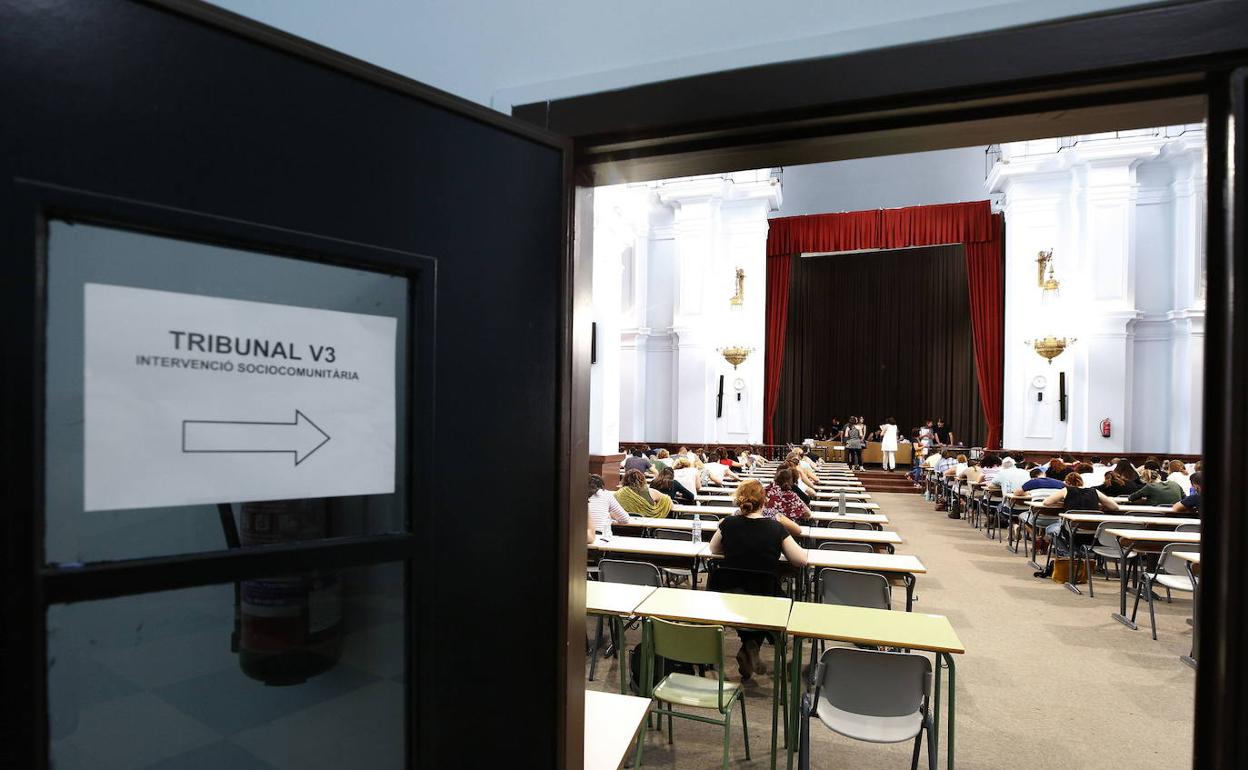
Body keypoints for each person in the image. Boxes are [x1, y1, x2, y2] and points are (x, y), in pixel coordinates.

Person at [707, 479, 808, 679]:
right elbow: (800, 560)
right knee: (769, 599)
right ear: (764, 501)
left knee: (749, 600)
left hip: (729, 595)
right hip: (765, 595)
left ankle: (748, 645)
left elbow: (713, 549)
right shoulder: (775, 527)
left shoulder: (728, 522)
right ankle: (751, 645)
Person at [1041, 472, 1120, 555]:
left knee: (1050, 529)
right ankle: (1077, 551)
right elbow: (1115, 507)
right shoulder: (1094, 491)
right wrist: (1101, 505)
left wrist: (1061, 503)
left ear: (1067, 483)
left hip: (1072, 530)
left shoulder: (1066, 490)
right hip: (1094, 531)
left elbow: (1046, 502)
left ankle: (1068, 553)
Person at [763, 467, 810, 533]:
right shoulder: (791, 496)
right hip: (790, 531)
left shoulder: (766, 491)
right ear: (790, 481)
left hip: (769, 530)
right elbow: (807, 514)